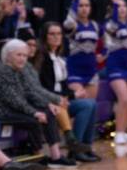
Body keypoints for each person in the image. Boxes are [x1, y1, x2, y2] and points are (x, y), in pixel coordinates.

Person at [0, 40, 78, 169]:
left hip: (12, 108)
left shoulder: (19, 70)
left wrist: (48, 104)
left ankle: (56, 157)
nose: (23, 59)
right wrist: (34, 112)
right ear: (8, 56)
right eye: (19, 55)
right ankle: (37, 155)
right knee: (34, 119)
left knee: (47, 111)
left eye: (25, 56)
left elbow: (30, 92)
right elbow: (13, 99)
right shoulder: (2, 71)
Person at [30, 24, 99, 162]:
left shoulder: (59, 58)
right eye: (52, 34)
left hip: (60, 99)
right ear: (45, 37)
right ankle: (74, 149)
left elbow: (62, 85)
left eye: (59, 34)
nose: (56, 37)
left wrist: (75, 93)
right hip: (48, 101)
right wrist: (69, 96)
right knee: (86, 105)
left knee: (91, 103)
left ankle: (86, 146)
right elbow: (43, 87)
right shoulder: (42, 58)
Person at [104, 0, 127, 144]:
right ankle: (118, 132)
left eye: (124, 6)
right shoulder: (110, 24)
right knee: (124, 98)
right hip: (115, 65)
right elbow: (108, 44)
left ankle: (123, 131)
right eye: (119, 6)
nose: (122, 9)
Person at [63, 0, 103, 100]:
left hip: (91, 71)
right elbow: (69, 21)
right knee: (80, 104)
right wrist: (75, 0)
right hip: (74, 70)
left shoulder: (95, 25)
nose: (84, 8)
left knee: (91, 106)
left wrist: (102, 54)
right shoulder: (72, 24)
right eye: (81, 6)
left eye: (87, 6)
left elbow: (111, 42)